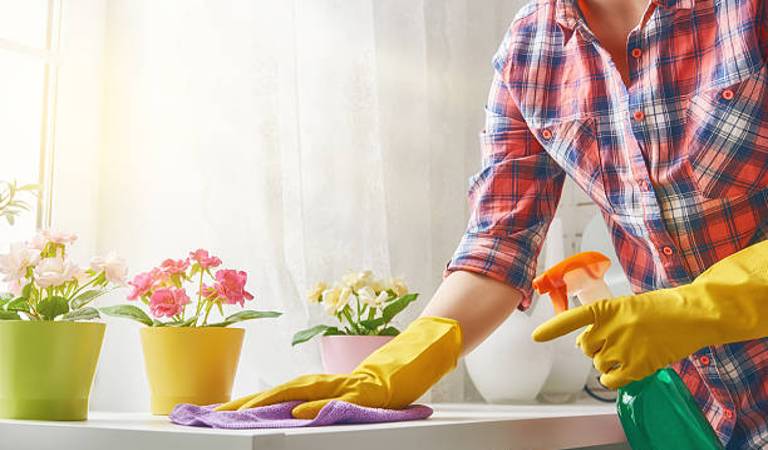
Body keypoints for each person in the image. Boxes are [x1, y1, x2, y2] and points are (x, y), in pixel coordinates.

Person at [217, 0, 768, 447]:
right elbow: (500, 244)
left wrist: (700, 307)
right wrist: (395, 368)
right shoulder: (530, 51)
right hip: (709, 425)